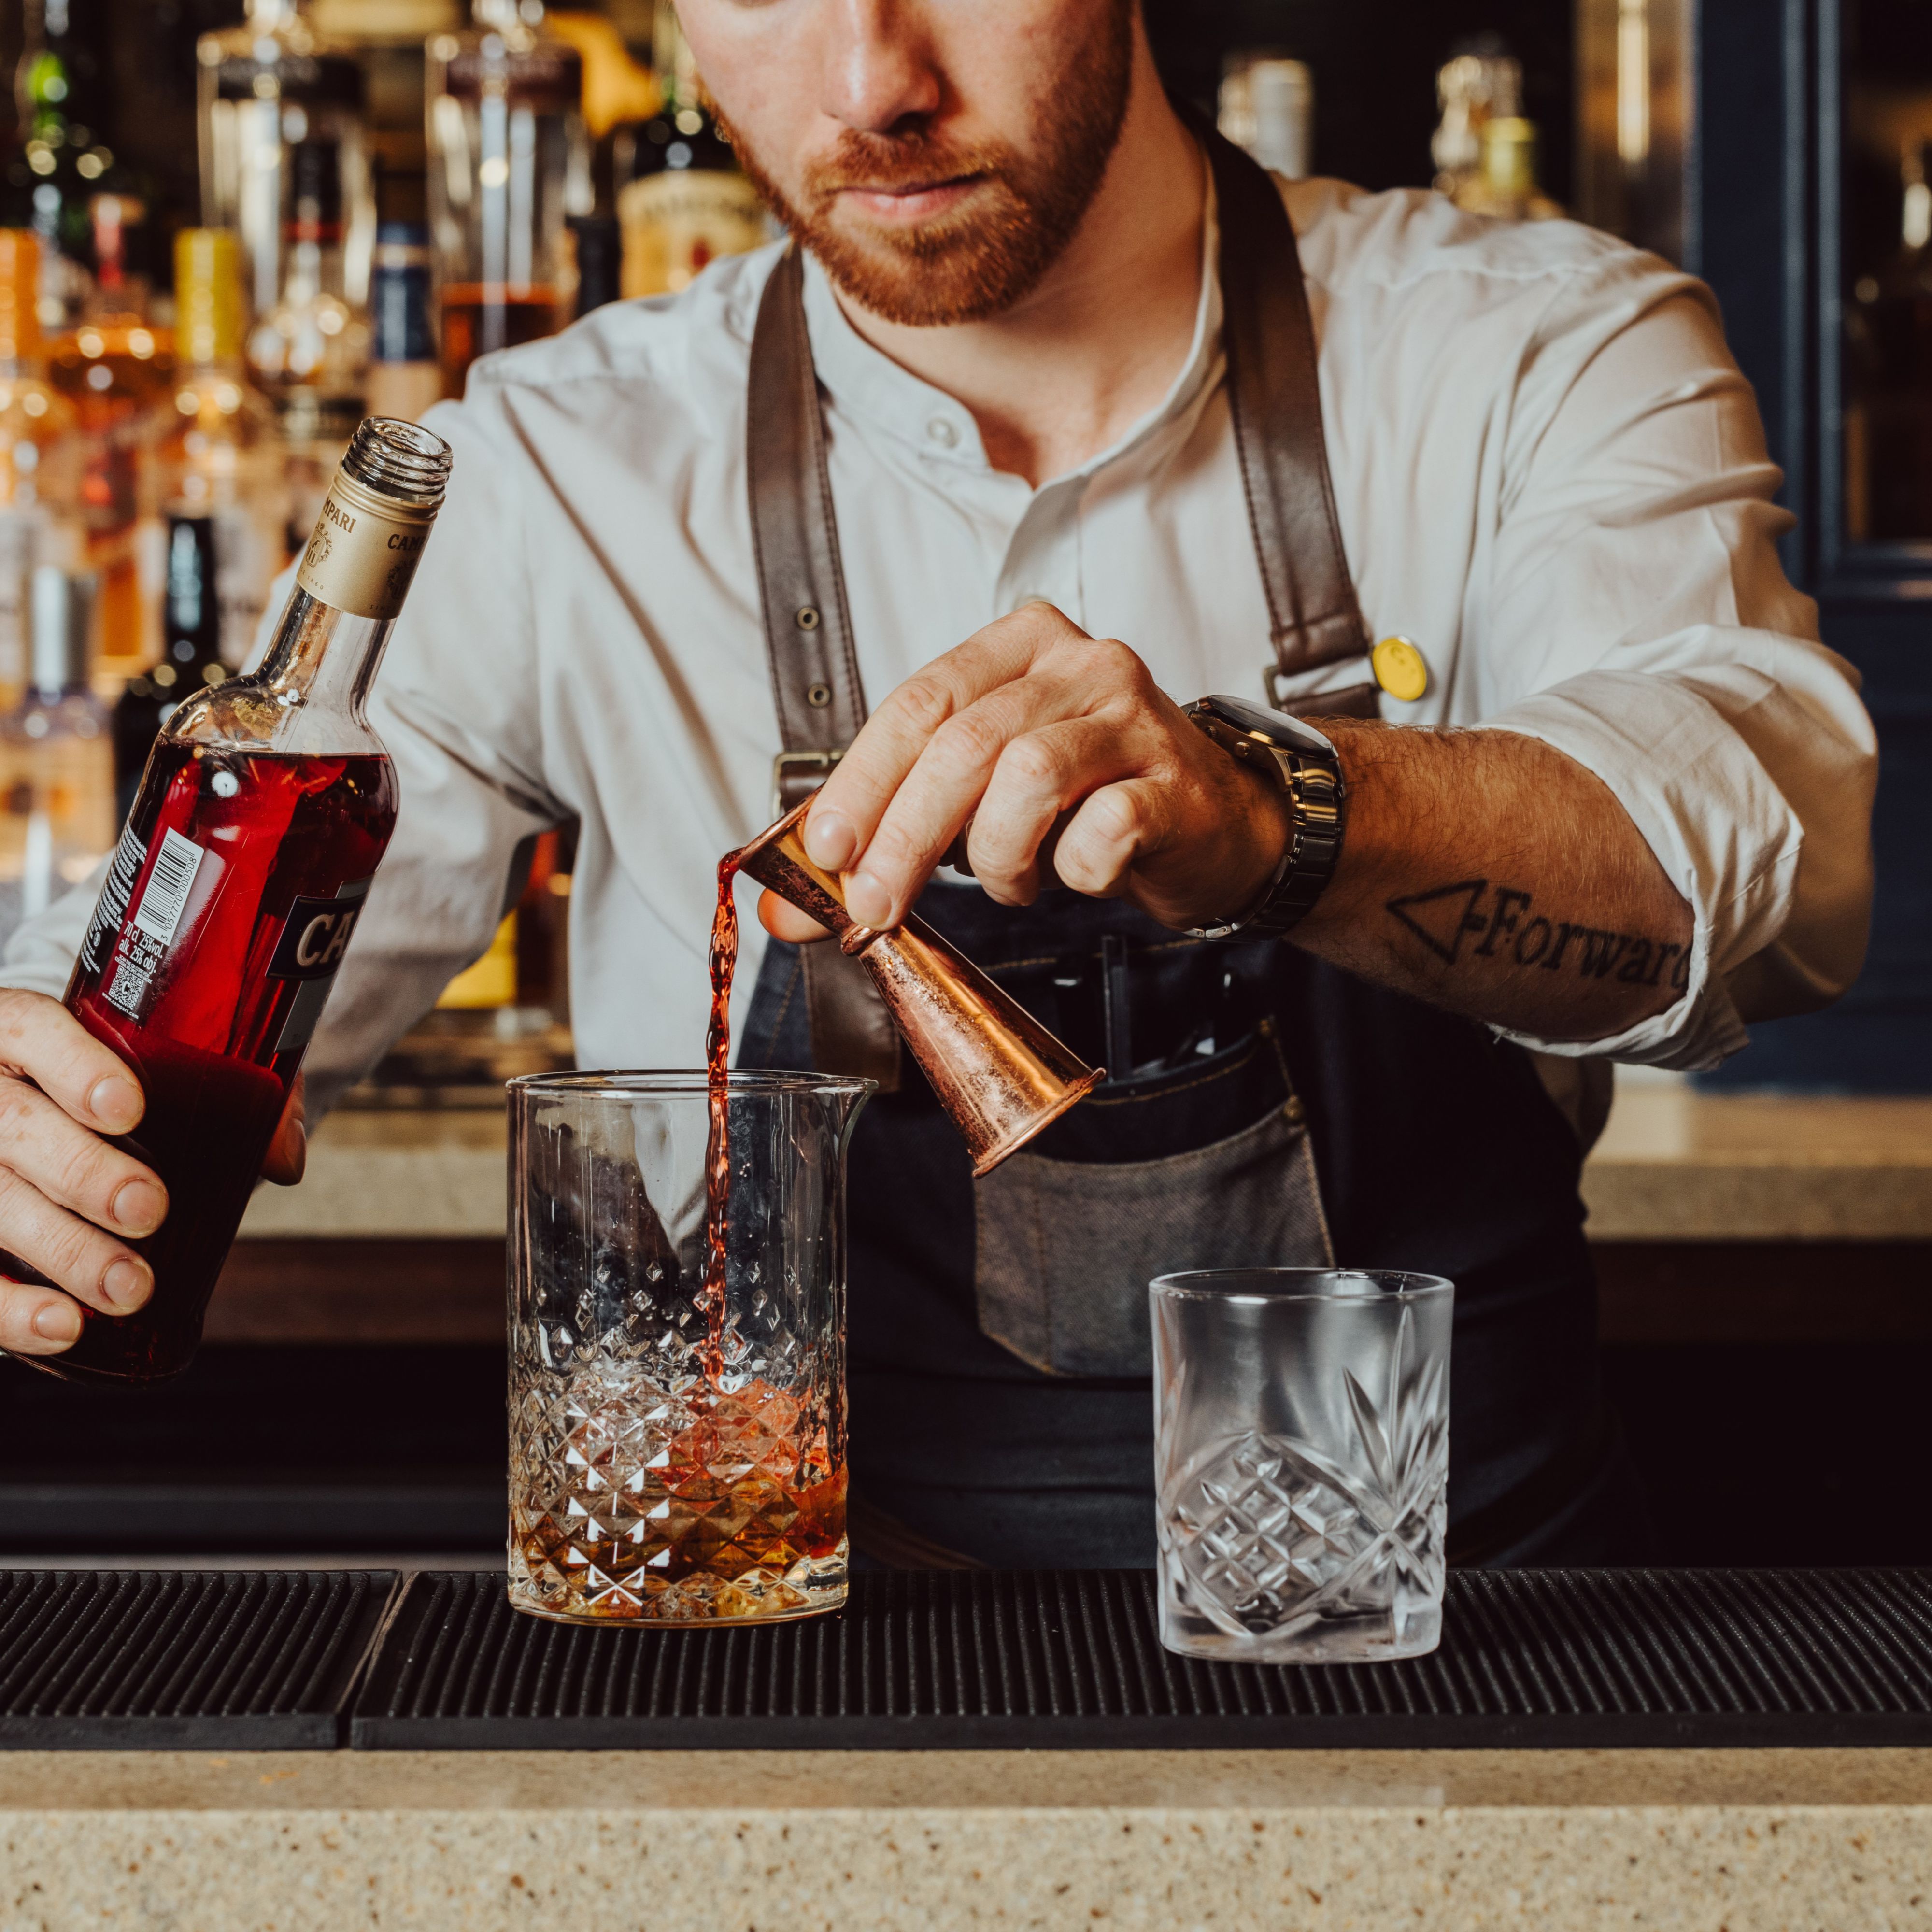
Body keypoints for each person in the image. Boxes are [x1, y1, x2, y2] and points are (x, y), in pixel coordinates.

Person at [0, 0, 1875, 1564]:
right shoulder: (550, 477)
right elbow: (175, 967)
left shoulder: (1535, 347)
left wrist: (1274, 812)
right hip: (800, 1628)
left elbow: (1767, 879)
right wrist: (40, 1086)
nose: (869, 83)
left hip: (1464, 1624)